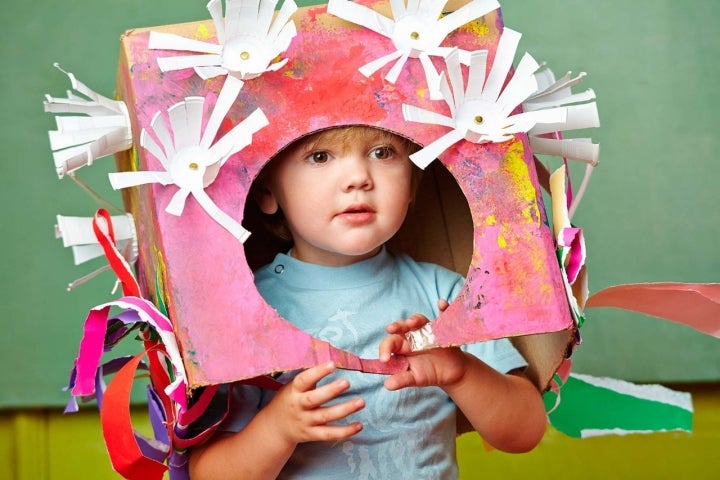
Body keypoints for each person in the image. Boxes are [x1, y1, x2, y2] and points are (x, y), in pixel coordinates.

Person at [188, 126, 547, 479]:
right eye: (320, 156)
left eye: (382, 153)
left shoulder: (446, 295)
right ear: (268, 191)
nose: (358, 177)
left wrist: (462, 372)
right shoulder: (245, 310)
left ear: (411, 181)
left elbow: (526, 430)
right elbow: (207, 471)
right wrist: (276, 429)